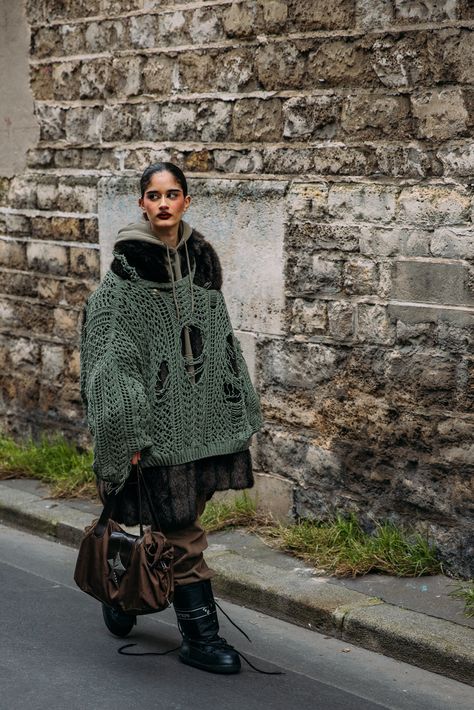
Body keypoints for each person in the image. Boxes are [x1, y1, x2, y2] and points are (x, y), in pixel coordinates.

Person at [80, 162, 263, 674]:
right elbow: (111, 360)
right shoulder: (125, 280)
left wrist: (234, 409)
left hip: (202, 429)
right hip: (151, 430)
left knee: (166, 520)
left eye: (173, 194)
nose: (163, 203)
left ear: (186, 201)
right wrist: (127, 428)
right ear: (141, 203)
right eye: (153, 195)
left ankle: (119, 592)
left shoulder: (203, 270)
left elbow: (222, 348)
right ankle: (200, 638)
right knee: (181, 531)